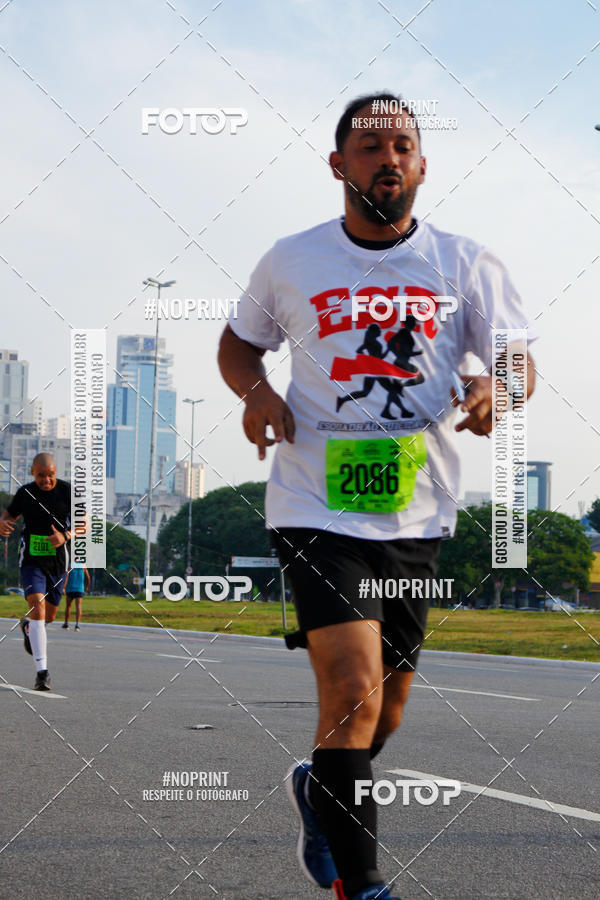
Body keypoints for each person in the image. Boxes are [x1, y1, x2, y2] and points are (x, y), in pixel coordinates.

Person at [218, 93, 536, 900]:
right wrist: (257, 392)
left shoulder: (466, 264)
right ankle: (363, 888)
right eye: (369, 146)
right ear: (338, 165)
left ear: (422, 165)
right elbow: (237, 345)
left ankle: (317, 785)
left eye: (402, 145)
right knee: (352, 689)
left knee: (383, 714)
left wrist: (498, 389)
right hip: (314, 506)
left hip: (417, 512)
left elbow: (516, 360)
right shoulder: (292, 259)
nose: (387, 157)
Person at [0, 453, 72, 691]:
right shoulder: (25, 493)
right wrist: (3, 522)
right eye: (41, 476)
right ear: (32, 472)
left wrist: (65, 536)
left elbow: (86, 524)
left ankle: (29, 627)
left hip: (58, 561)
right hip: (31, 560)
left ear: (56, 472)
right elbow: (9, 514)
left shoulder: (67, 492)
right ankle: (42, 673)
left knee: (48, 617)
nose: (46, 480)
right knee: (37, 605)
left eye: (50, 475)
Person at [62, 566, 89, 630]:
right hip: (79, 589)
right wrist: (86, 587)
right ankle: (77, 624)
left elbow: (66, 576)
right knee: (78, 606)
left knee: (68, 606)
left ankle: (66, 624)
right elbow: (88, 577)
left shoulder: (70, 566)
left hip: (70, 588)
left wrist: (63, 587)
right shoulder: (83, 566)